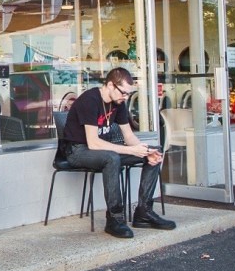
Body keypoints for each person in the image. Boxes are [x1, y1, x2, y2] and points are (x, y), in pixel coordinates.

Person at [59, 67, 175, 238]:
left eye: (128, 94)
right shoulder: (90, 100)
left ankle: (144, 212)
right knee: (111, 158)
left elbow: (128, 135)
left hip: (102, 149)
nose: (125, 97)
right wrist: (131, 150)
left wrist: (144, 151)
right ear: (110, 85)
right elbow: (93, 143)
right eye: (123, 92)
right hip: (77, 150)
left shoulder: (118, 102)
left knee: (154, 152)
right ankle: (115, 219)